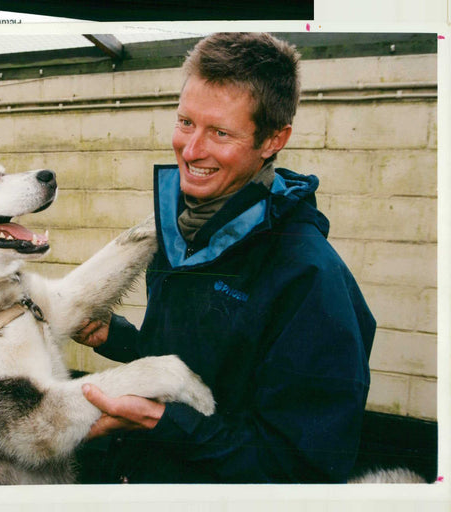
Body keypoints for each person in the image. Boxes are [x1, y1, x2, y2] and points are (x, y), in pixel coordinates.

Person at [73, 32, 375, 483]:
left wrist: (161, 422)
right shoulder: (182, 229)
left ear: (273, 139)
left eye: (220, 132)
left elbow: (303, 469)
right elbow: (202, 362)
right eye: (185, 122)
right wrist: (117, 339)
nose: (191, 150)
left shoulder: (310, 279)